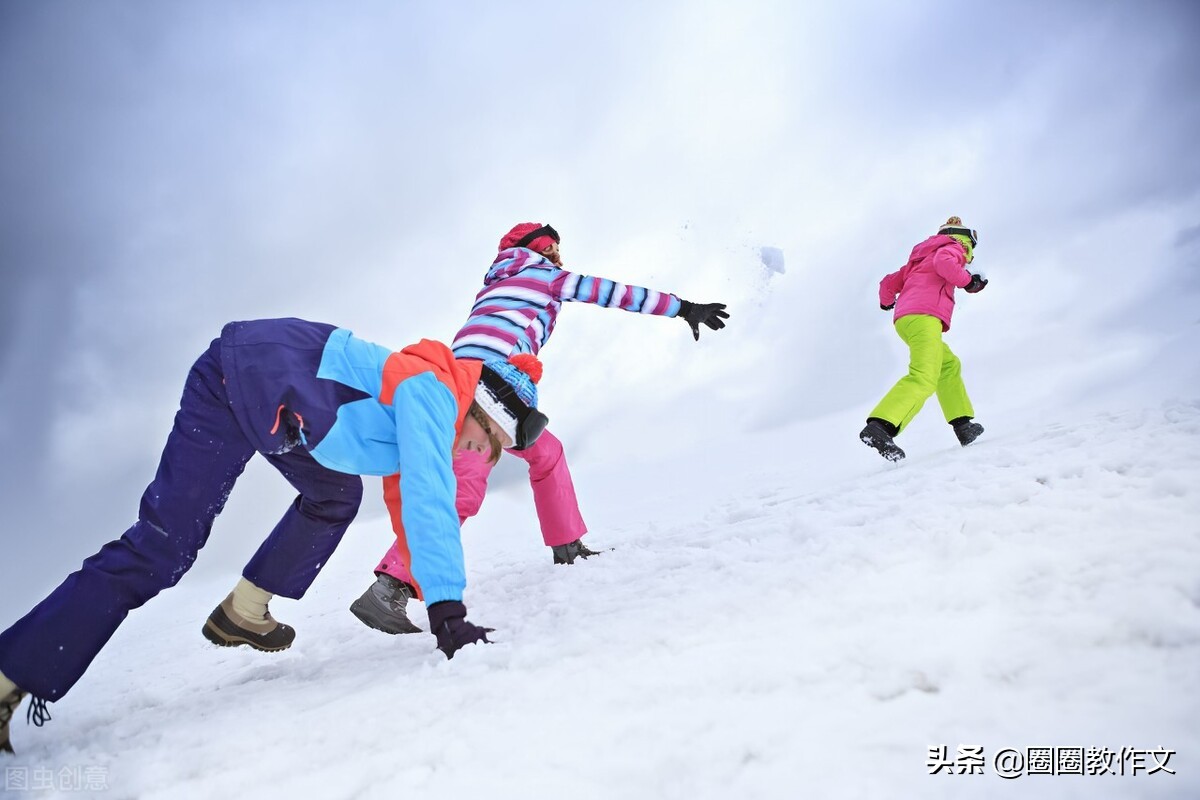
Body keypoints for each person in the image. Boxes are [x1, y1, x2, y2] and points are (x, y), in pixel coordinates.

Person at [0, 317, 547, 754]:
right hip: (235, 379)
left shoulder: (434, 408)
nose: (477, 453)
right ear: (484, 409)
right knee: (161, 547)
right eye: (486, 440)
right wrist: (448, 614)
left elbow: (411, 507)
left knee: (335, 496)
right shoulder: (434, 394)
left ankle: (243, 611)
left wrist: (426, 589)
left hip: (279, 403)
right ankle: (9, 675)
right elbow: (431, 496)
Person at [347, 222, 731, 636]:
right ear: (541, 250)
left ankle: (567, 546)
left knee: (547, 453)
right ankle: (390, 585)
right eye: (554, 248)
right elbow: (610, 292)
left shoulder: (500, 282)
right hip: (488, 386)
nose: (560, 257)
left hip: (460, 381)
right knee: (465, 484)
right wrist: (684, 308)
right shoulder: (543, 275)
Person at [860, 216, 988, 462]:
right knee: (924, 376)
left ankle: (963, 425)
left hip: (906, 320)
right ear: (968, 240)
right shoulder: (953, 247)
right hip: (925, 317)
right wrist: (968, 281)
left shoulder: (918, 260)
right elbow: (945, 263)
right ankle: (881, 426)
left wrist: (887, 302)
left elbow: (888, 283)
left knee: (948, 364)